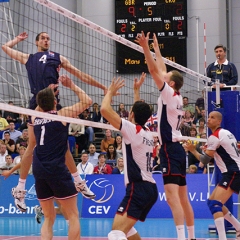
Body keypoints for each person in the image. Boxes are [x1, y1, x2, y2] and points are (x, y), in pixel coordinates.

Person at [2, 32, 98, 201]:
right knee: (32, 146)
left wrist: (102, 87)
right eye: (43, 38)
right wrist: (17, 40)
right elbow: (5, 48)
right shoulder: (29, 58)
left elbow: (81, 75)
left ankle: (78, 182)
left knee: (65, 146)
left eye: (48, 38)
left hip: (54, 104)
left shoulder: (57, 58)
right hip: (36, 105)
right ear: (37, 42)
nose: (46, 40)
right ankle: (20, 188)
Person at [15, 75, 93, 239]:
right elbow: (87, 101)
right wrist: (71, 85)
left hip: (39, 171)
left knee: (49, 217)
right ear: (55, 103)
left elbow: (37, 109)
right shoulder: (61, 115)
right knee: (73, 216)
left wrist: (44, 96)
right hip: (57, 170)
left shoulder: (35, 118)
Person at [136, 31, 196, 240]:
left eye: (166, 78)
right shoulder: (176, 95)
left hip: (170, 149)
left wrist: (145, 47)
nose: (164, 76)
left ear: (170, 84)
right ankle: (191, 236)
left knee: (172, 199)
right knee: (183, 198)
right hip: (177, 150)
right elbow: (161, 69)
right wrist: (157, 49)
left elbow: (154, 69)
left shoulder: (168, 94)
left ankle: (181, 238)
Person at [101, 75, 158, 240]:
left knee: (115, 233)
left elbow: (104, 110)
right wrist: (136, 91)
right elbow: (139, 113)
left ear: (131, 114)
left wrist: (110, 92)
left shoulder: (132, 130)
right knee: (127, 230)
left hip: (138, 188)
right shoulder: (147, 132)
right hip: (150, 189)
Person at [184, 111, 240, 240]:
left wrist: (193, 150)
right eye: (208, 117)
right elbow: (222, 152)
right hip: (233, 172)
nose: (208, 119)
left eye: (212, 118)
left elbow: (204, 161)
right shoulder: (227, 133)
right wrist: (209, 150)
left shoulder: (215, 136)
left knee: (215, 203)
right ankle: (238, 228)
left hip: (233, 172)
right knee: (212, 202)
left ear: (219, 121)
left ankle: (222, 237)